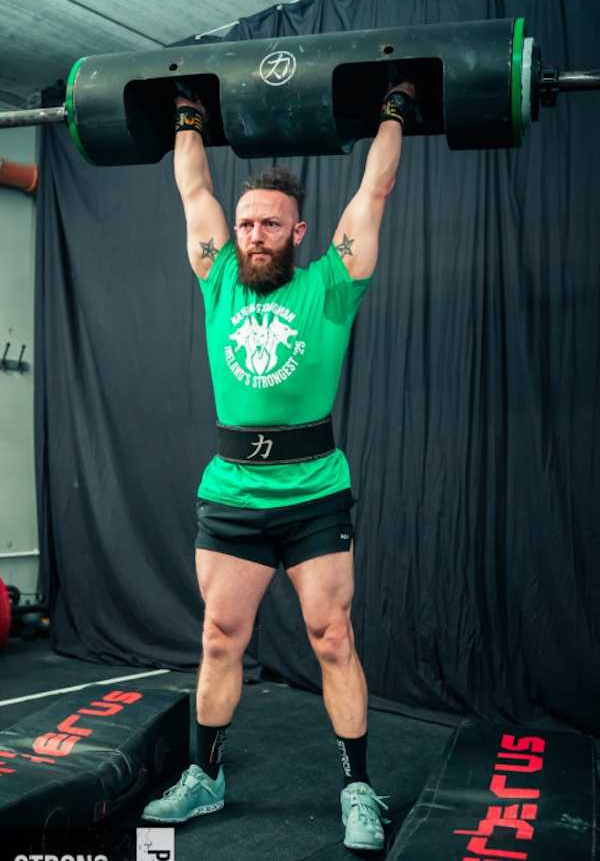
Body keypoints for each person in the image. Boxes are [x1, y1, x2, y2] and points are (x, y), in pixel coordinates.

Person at [141, 76, 417, 851]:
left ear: (299, 233)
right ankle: (205, 776)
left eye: (269, 223)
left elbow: (377, 187)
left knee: (332, 636)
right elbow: (192, 183)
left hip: (314, 495)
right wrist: (189, 118)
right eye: (246, 223)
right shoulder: (219, 275)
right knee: (220, 638)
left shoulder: (333, 284)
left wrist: (395, 109)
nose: (253, 233)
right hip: (232, 491)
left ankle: (358, 787)